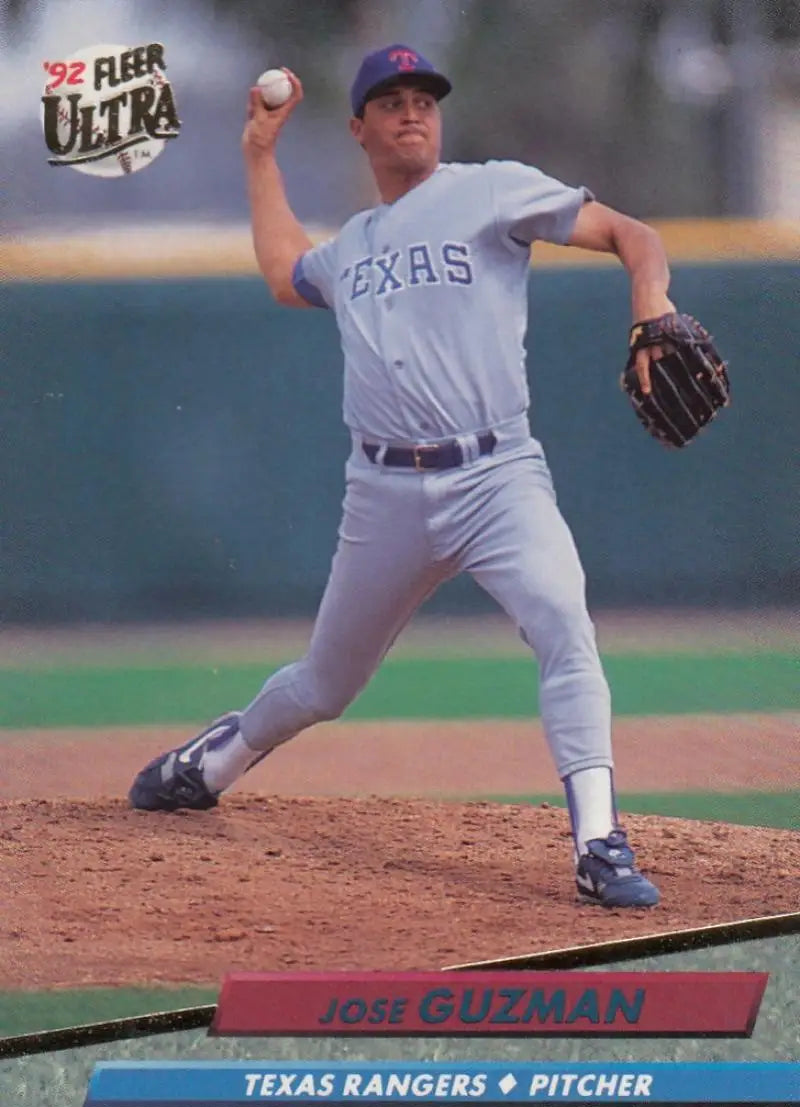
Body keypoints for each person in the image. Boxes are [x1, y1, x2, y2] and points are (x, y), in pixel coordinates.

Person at [129, 44, 670, 909]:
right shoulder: (356, 246)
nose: (412, 111)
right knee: (324, 683)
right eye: (390, 101)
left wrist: (654, 304)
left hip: (499, 475)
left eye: (424, 98)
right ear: (360, 128)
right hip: (383, 492)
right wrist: (258, 154)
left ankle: (599, 842)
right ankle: (209, 763)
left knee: (564, 621)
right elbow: (281, 273)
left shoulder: (491, 188)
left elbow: (632, 235)